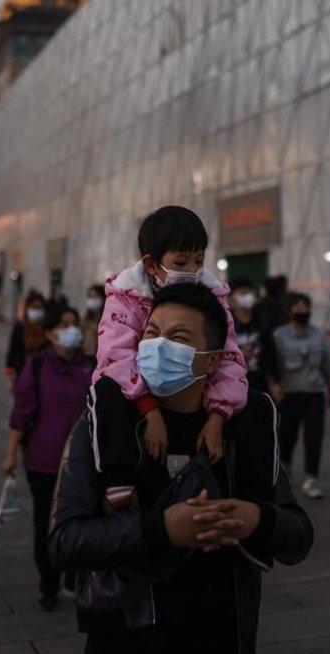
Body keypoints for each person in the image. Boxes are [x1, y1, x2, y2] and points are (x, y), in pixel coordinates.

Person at [49, 282, 313, 654]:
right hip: (126, 646)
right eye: (151, 334)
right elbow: (64, 542)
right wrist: (161, 530)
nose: (156, 346)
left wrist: (256, 519)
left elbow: (298, 537)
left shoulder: (242, 431)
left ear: (211, 359)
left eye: (178, 337)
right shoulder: (105, 424)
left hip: (222, 644)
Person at [93, 205, 247, 511]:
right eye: (181, 262)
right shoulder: (126, 297)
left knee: (252, 403)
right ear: (151, 264)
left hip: (192, 397)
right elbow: (116, 357)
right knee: (105, 389)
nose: (192, 271)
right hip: (135, 397)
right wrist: (149, 411)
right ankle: (118, 478)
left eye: (198, 261)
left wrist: (218, 417)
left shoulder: (212, 297)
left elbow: (229, 360)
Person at [2, 305, 94, 612]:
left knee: (82, 522)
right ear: (50, 333)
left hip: (83, 463)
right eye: (65, 324)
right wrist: (10, 454)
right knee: (47, 524)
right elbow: (22, 412)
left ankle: (73, 578)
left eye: (75, 323)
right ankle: (49, 583)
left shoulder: (90, 365)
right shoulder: (38, 366)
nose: (72, 330)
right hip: (44, 461)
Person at [269, 292, 330, 500]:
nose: (303, 311)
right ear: (289, 311)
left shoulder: (319, 335)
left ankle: (311, 479)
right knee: (288, 435)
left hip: (314, 394)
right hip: (290, 394)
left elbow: (327, 364)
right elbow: (273, 365)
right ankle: (286, 467)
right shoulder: (279, 336)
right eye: (298, 307)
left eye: (305, 306)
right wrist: (274, 386)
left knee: (314, 436)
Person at [229, 278, 275, 393]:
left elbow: (271, 351)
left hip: (261, 381)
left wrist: (275, 380)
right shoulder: (228, 324)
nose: (248, 297)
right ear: (231, 298)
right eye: (243, 293)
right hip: (234, 381)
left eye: (250, 293)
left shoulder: (262, 321)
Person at [5, 291, 48, 387]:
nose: (36, 311)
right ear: (27, 309)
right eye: (33, 308)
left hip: (44, 377)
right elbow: (12, 354)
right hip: (22, 374)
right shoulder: (20, 328)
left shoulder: (48, 330)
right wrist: (9, 378)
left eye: (39, 308)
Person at [80, 284, 105, 358]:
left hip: (102, 356)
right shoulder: (85, 319)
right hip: (87, 355)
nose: (93, 300)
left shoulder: (107, 319)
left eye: (96, 296)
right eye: (90, 297)